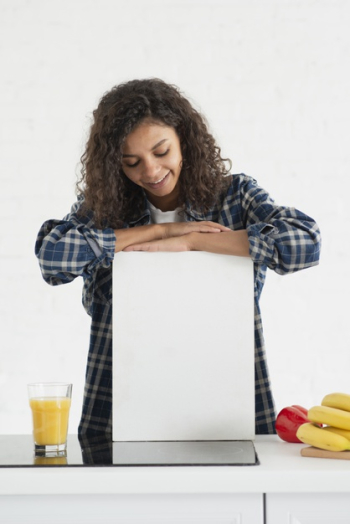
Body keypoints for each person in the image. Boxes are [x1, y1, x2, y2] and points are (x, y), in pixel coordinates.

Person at [35, 78, 321, 436]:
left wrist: (194, 244)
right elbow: (52, 256)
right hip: (120, 405)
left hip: (227, 397)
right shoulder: (106, 209)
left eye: (161, 151)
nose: (151, 171)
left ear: (184, 139)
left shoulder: (233, 196)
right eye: (132, 162)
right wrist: (159, 232)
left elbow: (305, 243)